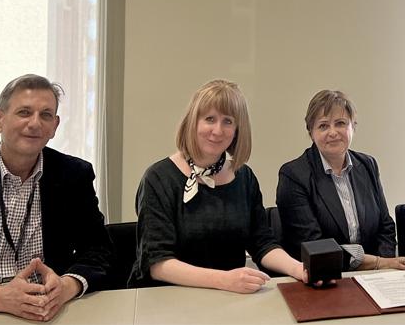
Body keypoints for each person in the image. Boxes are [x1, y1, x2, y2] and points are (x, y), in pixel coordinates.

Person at [130, 80, 306, 292]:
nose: (217, 130)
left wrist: (299, 269)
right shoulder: (158, 178)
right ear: (193, 122)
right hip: (166, 299)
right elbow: (158, 264)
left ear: (237, 130)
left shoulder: (244, 177)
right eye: (209, 119)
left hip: (227, 298)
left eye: (228, 121)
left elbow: (262, 243)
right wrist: (224, 281)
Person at [0, 74, 112, 321]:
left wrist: (68, 286)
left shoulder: (74, 175)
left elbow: (99, 249)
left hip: (53, 310)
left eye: (45, 115)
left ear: (54, 126)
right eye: (24, 112)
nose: (35, 123)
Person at [277, 90, 405, 271]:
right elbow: (314, 246)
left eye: (340, 123)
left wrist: (384, 268)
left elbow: (385, 226)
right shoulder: (294, 175)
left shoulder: (367, 164)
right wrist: (378, 263)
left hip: (374, 277)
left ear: (352, 127)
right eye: (323, 126)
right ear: (311, 133)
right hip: (323, 277)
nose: (333, 132)